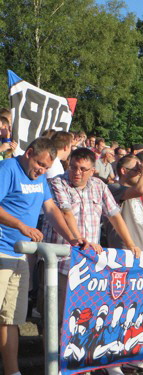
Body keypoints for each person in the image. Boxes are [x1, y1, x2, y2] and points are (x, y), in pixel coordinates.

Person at [40, 147, 142, 375]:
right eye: (74, 167)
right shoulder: (56, 183)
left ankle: (81, 365)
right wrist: (80, 240)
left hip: (89, 265)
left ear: (93, 171)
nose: (77, 172)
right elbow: (65, 214)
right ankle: (54, 366)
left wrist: (130, 242)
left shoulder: (99, 186)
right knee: (56, 318)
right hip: (60, 261)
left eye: (83, 169)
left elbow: (114, 214)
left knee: (85, 317)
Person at [0, 138, 89, 375]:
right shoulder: (7, 169)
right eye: (40, 165)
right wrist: (21, 225)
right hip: (1, 250)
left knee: (11, 319)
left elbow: (50, 209)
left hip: (20, 255)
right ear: (29, 153)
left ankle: (12, 371)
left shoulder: (40, 177)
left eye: (47, 168)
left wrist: (72, 237)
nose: (42, 171)